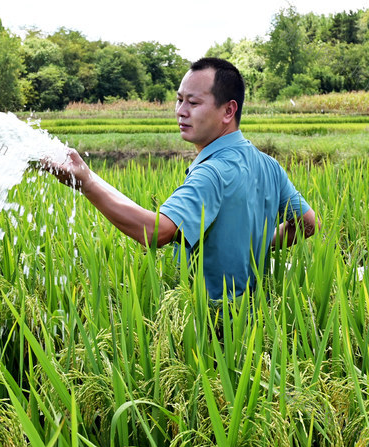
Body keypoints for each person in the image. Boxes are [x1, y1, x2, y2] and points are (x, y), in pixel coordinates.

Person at [40, 57, 319, 300]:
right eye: (179, 99)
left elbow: (157, 232)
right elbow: (308, 223)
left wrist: (87, 182)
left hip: (207, 329)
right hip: (254, 323)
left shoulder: (212, 172)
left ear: (228, 111)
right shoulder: (269, 165)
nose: (180, 111)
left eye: (193, 102)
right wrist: (258, 241)